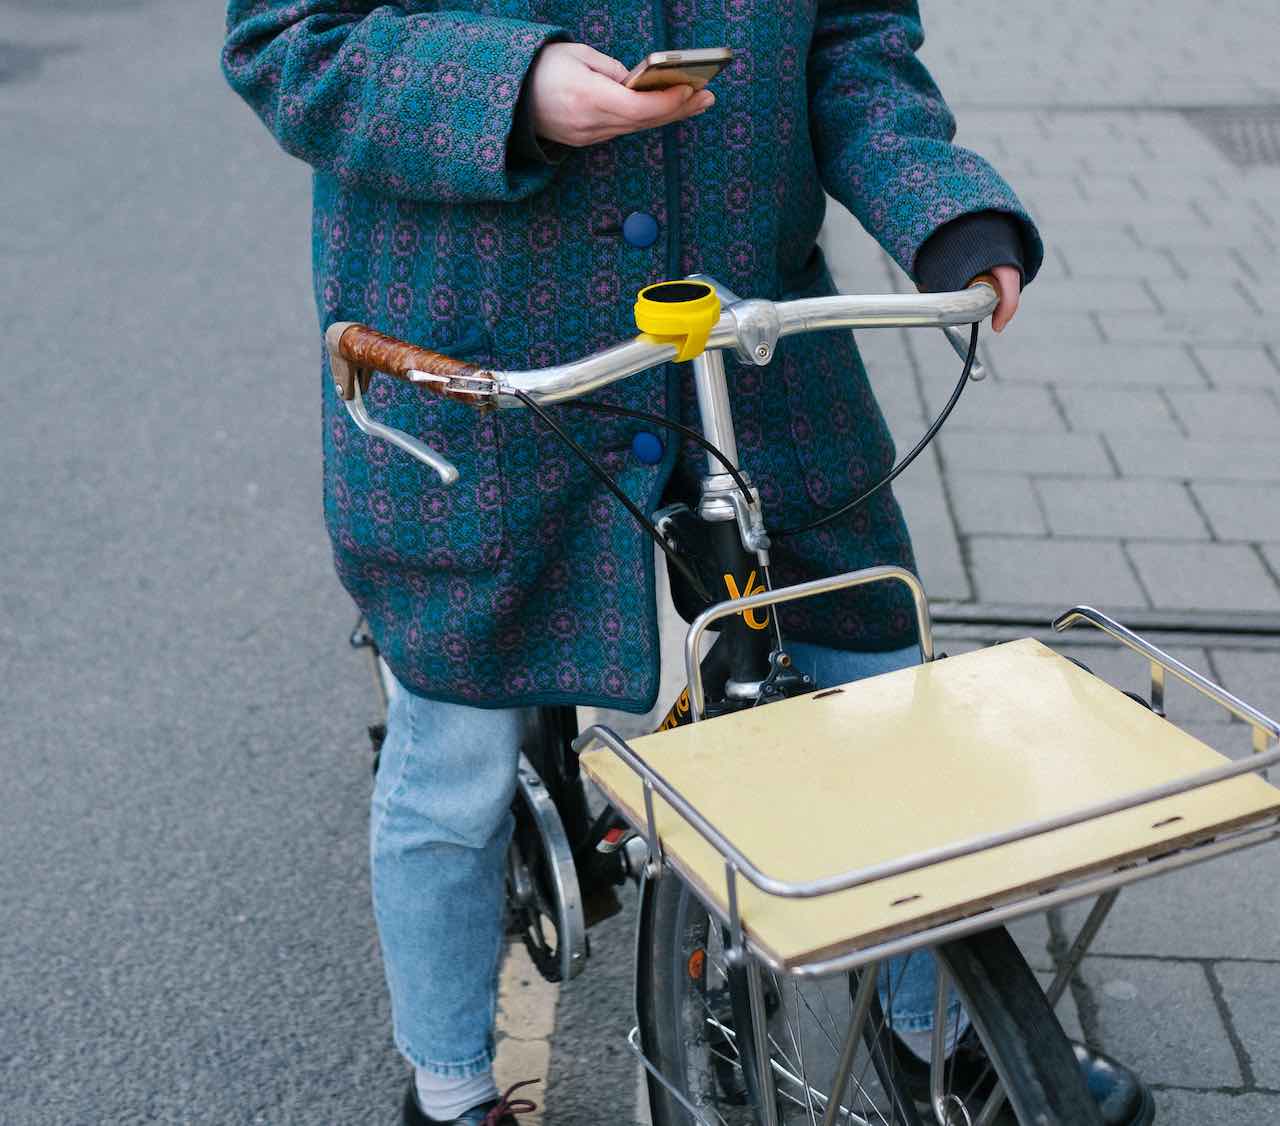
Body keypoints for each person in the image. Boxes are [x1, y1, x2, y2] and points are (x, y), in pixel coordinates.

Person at [222, 5, 1152, 1124]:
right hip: (483, 361)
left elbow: (850, 38)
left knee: (878, 690)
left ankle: (936, 1030)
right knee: (455, 753)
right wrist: (512, 91)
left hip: (749, 339)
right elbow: (289, 38)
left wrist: (937, 202)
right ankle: (451, 1085)